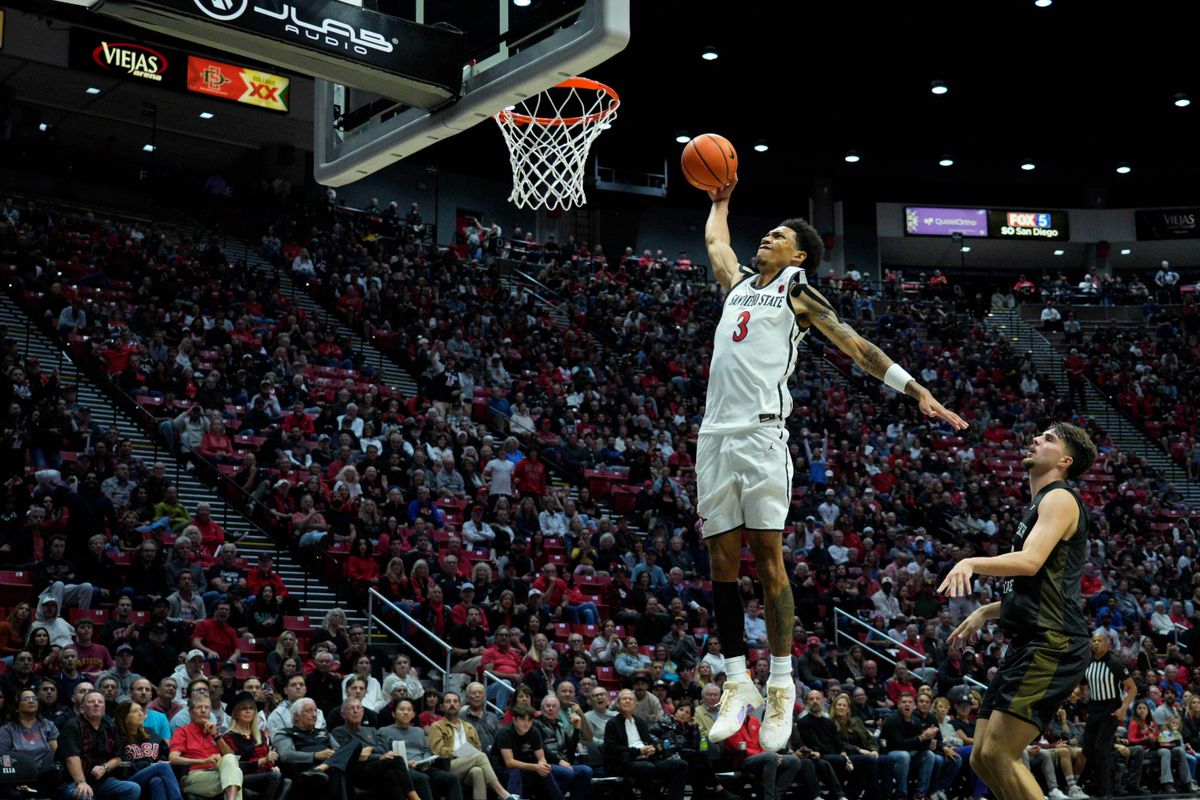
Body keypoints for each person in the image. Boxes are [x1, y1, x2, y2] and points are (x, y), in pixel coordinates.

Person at [700, 177, 968, 751]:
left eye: (776, 235)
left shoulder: (798, 291)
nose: (764, 238)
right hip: (714, 436)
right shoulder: (739, 285)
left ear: (798, 253)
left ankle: (779, 683)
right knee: (721, 562)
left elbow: (854, 344)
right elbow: (717, 247)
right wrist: (721, 202)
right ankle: (736, 680)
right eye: (766, 232)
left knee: (768, 560)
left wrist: (914, 388)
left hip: (762, 436)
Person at [943, 423, 1099, 800]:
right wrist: (986, 612)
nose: (1035, 439)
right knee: (981, 756)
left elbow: (1029, 563)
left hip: (1054, 642)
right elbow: (1040, 588)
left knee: (1000, 751)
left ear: (1064, 460)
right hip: (1032, 638)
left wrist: (970, 562)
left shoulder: (1059, 498)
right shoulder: (1041, 503)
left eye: (1048, 438)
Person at [427, 691, 519, 800]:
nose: (452, 704)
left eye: (455, 701)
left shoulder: (468, 726)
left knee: (478, 771)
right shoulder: (436, 726)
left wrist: (469, 753)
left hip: (469, 764)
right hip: (447, 766)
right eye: (448, 701)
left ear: (460, 706)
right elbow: (438, 751)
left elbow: (478, 748)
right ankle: (504, 794)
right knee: (480, 756)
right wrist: (460, 752)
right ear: (442, 707)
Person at [329, 697, 423, 800]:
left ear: (363, 712)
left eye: (359, 708)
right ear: (343, 714)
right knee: (396, 759)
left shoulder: (372, 730)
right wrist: (378, 756)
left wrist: (369, 749)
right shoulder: (339, 732)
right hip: (357, 770)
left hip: (377, 768)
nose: (356, 711)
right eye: (351, 708)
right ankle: (415, 797)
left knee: (391, 774)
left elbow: (382, 749)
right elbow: (354, 755)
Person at [1080, 632, 1137, 799]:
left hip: (1111, 708)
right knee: (1087, 749)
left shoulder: (1115, 663)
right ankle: (1114, 770)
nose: (1096, 643)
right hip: (1094, 708)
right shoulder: (1088, 662)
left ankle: (1105, 791)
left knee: (1100, 748)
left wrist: (1124, 708)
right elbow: (1083, 686)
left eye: (1099, 641)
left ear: (1107, 644)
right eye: (1094, 641)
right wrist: (1077, 693)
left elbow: (1132, 688)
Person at [601, 690, 687, 800]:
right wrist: (638, 751)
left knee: (680, 765)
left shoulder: (640, 722)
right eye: (624, 699)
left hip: (647, 760)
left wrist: (653, 748)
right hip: (626, 763)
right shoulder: (612, 724)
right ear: (618, 704)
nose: (628, 701)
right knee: (647, 767)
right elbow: (612, 748)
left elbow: (649, 742)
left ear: (635, 704)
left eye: (631, 699)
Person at [56, 690, 142, 800]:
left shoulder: (110, 726)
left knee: (132, 789)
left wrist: (105, 767)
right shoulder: (72, 725)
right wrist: (81, 782)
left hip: (101, 782)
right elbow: (71, 758)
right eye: (91, 701)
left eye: (100, 702)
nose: (96, 704)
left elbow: (118, 757)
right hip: (72, 781)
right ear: (82, 709)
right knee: (85, 795)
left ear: (104, 709)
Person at [168, 695, 244, 800]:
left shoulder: (214, 732)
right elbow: (173, 759)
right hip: (194, 776)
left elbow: (230, 756)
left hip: (217, 772)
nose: (203, 710)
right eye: (199, 707)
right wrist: (203, 762)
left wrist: (216, 736)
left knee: (230, 761)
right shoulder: (182, 731)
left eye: (207, 707)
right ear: (191, 712)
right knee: (236, 776)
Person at [722, 711, 810, 800]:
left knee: (794, 761)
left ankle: (778, 795)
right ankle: (769, 797)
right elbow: (739, 748)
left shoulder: (754, 720)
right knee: (771, 757)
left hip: (763, 757)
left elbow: (762, 742)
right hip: (742, 760)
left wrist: (767, 754)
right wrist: (767, 755)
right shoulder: (730, 724)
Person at [114, 699, 184, 800]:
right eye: (135, 711)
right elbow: (122, 765)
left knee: (157, 781)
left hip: (153, 778)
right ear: (124, 717)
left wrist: (161, 762)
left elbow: (164, 754)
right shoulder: (118, 738)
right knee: (162, 767)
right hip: (130, 780)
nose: (140, 713)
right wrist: (151, 766)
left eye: (140, 710)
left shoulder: (150, 733)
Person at [222, 692, 285, 800]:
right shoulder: (229, 737)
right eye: (243, 708)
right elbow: (235, 766)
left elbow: (267, 759)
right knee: (275, 777)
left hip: (264, 776)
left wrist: (273, 767)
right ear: (236, 714)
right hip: (243, 777)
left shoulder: (260, 733)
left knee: (286, 781)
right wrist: (262, 761)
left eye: (251, 708)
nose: (248, 711)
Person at [0, 688, 61, 794]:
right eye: (26, 699)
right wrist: (15, 777)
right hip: (17, 779)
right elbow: (5, 759)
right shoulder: (7, 729)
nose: (31, 701)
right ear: (17, 706)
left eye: (34, 698)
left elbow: (56, 752)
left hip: (45, 776)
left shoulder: (48, 725)